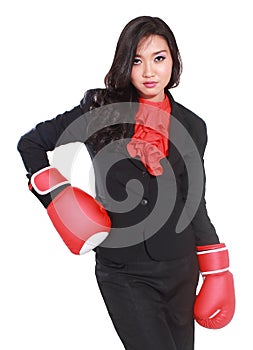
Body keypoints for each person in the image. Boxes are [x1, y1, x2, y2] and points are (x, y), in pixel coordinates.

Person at [17, 16, 235, 350]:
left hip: (181, 267)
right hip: (124, 273)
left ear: (174, 61)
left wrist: (217, 269)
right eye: (137, 60)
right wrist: (56, 196)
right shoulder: (101, 111)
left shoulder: (193, 126)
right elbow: (31, 143)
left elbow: (195, 202)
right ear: (125, 64)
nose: (149, 72)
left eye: (159, 58)